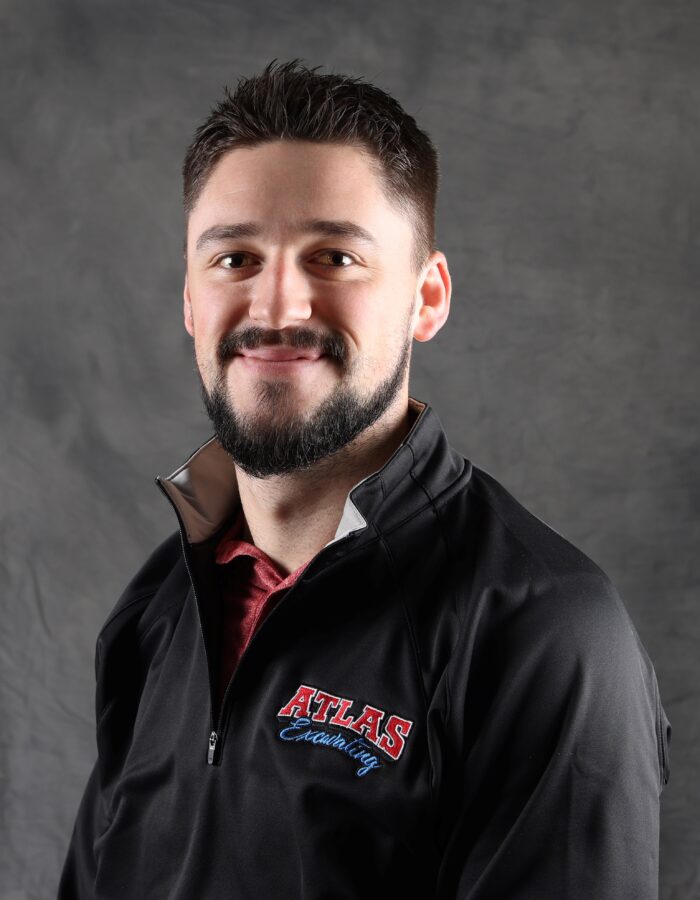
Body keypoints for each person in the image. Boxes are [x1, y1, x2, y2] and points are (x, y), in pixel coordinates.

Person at [58, 58, 671, 899]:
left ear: (427, 296)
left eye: (335, 256)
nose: (277, 307)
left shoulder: (546, 636)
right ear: (191, 303)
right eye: (234, 258)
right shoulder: (159, 610)